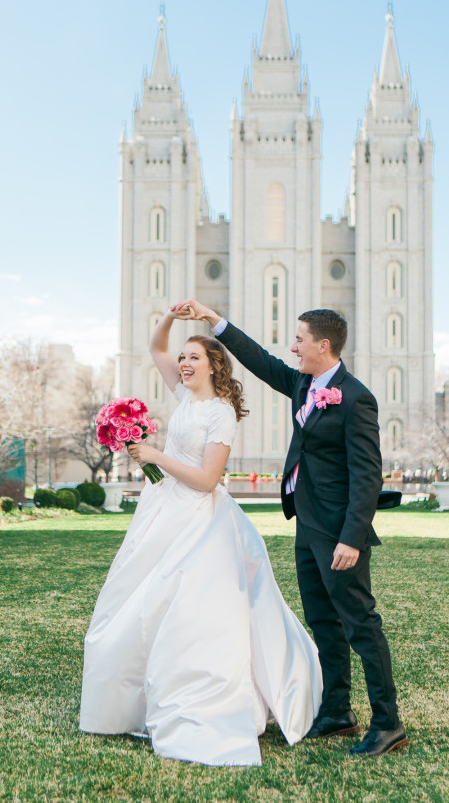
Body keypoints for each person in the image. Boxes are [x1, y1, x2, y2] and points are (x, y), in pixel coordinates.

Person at [79, 308, 322, 767]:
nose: (184, 363)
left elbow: (209, 480)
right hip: (161, 510)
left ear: (214, 364)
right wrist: (169, 318)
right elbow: (155, 347)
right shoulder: (183, 395)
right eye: (183, 358)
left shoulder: (220, 413)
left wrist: (156, 455)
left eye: (194, 357)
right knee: (136, 600)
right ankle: (130, 699)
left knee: (184, 608)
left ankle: (197, 698)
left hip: (198, 519)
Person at [173, 300, 408, 758]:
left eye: (299, 339)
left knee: (361, 624)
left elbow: (367, 475)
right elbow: (261, 361)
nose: (293, 347)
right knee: (324, 622)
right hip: (307, 524)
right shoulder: (303, 383)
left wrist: (351, 538)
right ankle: (337, 711)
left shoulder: (356, 397)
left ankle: (388, 722)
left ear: (323, 345)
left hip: (339, 533)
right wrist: (213, 319)